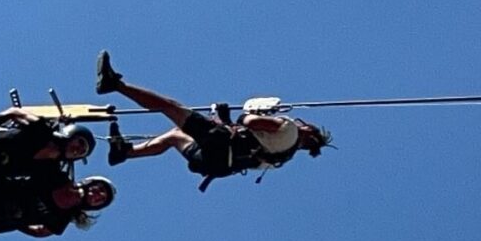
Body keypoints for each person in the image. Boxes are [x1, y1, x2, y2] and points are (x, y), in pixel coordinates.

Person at [95, 50, 332, 191]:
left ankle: (114, 85)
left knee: (170, 107)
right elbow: (248, 147)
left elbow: (248, 122)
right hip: (213, 164)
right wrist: (227, 122)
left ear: (308, 133)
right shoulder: (279, 161)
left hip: (220, 145)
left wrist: (246, 113)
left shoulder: (289, 128)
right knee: (174, 136)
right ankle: (124, 153)